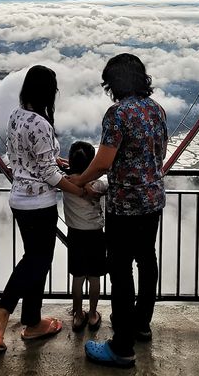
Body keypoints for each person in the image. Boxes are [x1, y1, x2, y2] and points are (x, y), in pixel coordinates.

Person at [0, 65, 87, 353]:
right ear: (48, 92)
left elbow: (23, 157)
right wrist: (80, 190)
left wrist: (55, 161)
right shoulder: (41, 123)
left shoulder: (16, 116)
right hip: (39, 204)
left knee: (36, 260)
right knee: (36, 261)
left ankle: (33, 322)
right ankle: (1, 315)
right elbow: (48, 175)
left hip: (19, 200)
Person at [72, 53, 168, 369]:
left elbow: (103, 162)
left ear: (113, 83)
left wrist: (79, 179)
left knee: (121, 270)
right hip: (153, 201)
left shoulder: (117, 115)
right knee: (147, 260)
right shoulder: (156, 110)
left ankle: (122, 346)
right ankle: (142, 324)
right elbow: (160, 153)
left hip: (124, 206)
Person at [63, 140, 108, 333]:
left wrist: (65, 166)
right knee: (95, 277)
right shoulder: (98, 184)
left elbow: (60, 173)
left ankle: (78, 315)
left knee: (78, 277)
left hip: (75, 234)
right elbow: (106, 181)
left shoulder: (65, 181)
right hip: (96, 234)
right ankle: (92, 315)